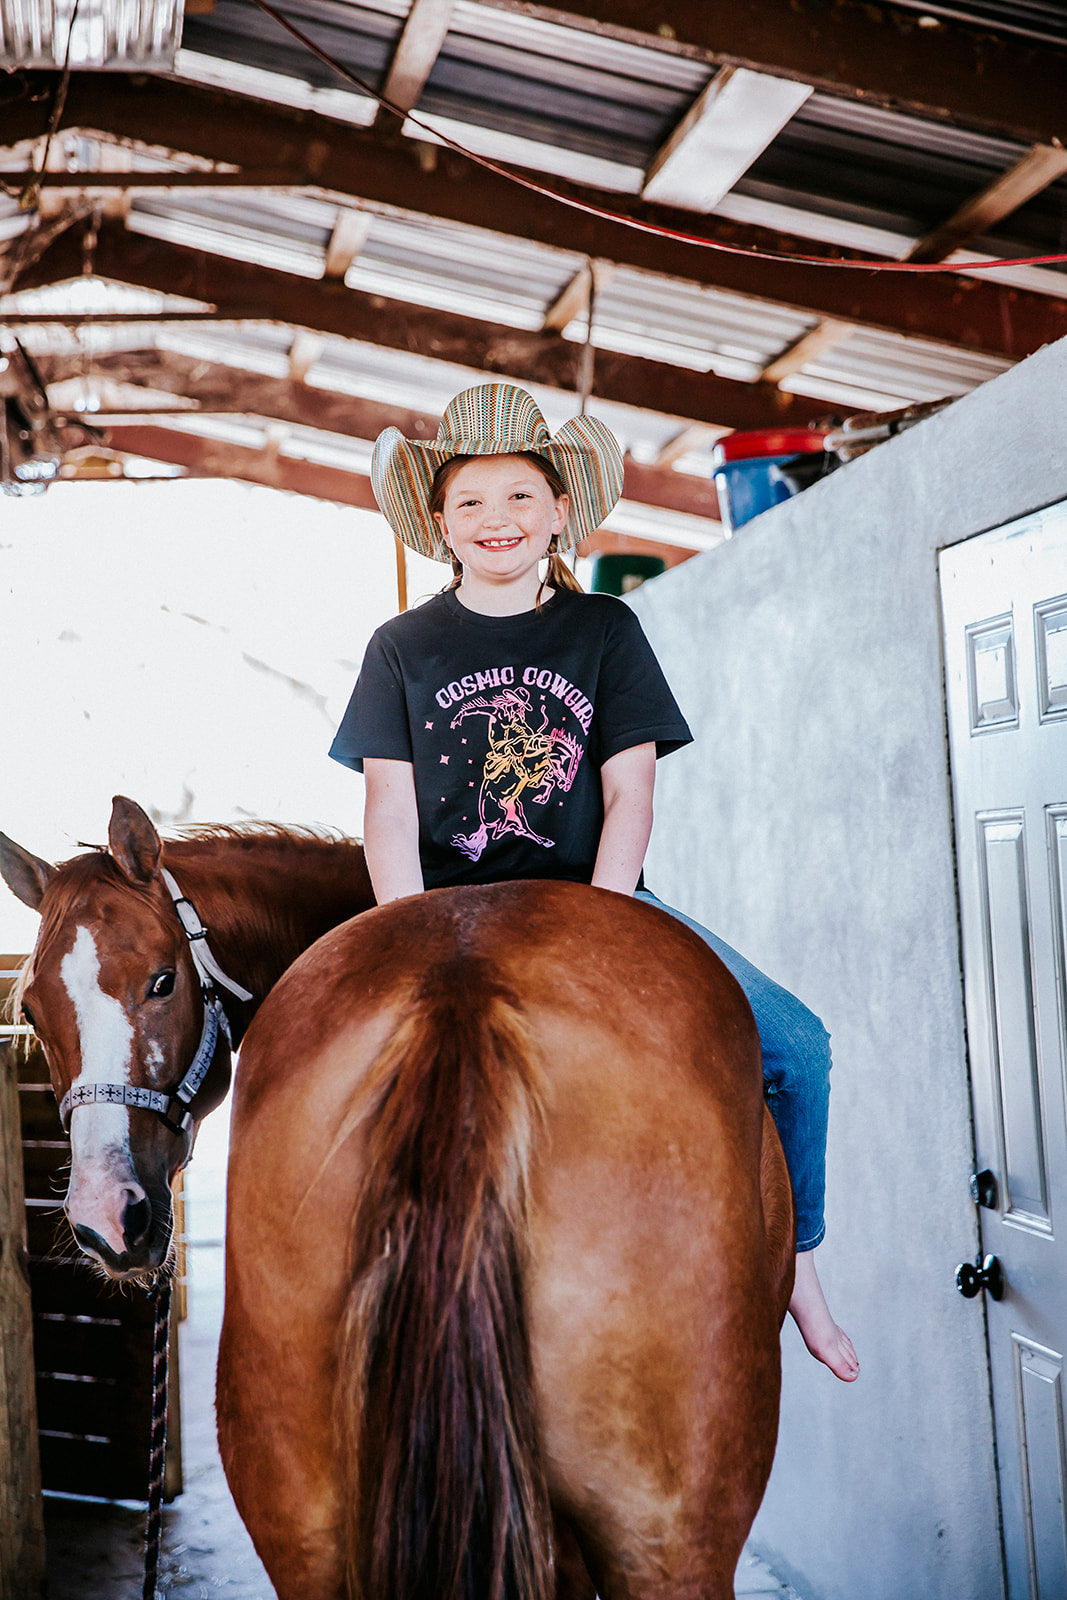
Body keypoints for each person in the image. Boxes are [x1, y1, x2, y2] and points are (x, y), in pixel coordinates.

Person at [329, 383, 859, 1382]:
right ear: (438, 521)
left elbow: (629, 794)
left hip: (599, 898)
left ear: (561, 509)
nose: (498, 521)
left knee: (795, 1047)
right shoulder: (399, 648)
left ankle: (797, 1260)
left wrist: (601, 926)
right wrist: (407, 942)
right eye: (473, 502)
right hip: (448, 916)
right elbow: (389, 815)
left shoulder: (603, 630)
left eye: (520, 497)